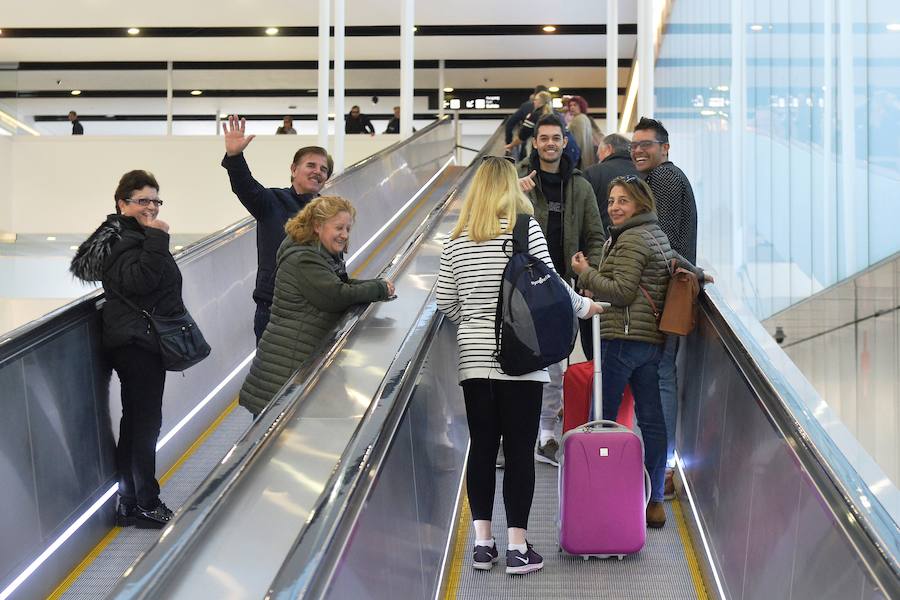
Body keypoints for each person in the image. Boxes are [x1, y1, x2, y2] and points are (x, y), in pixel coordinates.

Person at [436, 156, 605, 575]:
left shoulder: (455, 239)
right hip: (521, 361)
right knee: (518, 453)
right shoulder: (524, 229)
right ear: (510, 187)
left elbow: (445, 302)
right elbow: (550, 287)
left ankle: (482, 544)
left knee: (481, 447)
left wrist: (475, 325)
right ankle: (516, 548)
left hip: (474, 364)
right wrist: (587, 307)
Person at [571, 175, 710, 528]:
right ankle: (654, 501)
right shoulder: (656, 234)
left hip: (622, 339)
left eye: (623, 201)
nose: (614, 207)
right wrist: (701, 274)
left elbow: (621, 292)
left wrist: (586, 274)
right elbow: (680, 263)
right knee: (651, 422)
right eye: (613, 200)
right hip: (651, 344)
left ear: (640, 205)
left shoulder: (631, 239)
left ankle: (599, 495)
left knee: (600, 419)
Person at [70, 170, 183, 529]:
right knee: (145, 424)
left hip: (136, 339)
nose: (150, 207)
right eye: (142, 201)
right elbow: (141, 280)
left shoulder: (128, 235)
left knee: (136, 423)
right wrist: (157, 237)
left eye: (155, 200)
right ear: (122, 203)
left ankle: (131, 501)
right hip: (137, 342)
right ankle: (146, 502)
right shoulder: (127, 239)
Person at [239, 196, 394, 416]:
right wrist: (379, 289)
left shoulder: (317, 252)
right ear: (317, 226)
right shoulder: (304, 258)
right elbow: (335, 295)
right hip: (286, 366)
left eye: (348, 228)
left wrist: (376, 285)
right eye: (339, 227)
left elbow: (339, 283)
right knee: (270, 439)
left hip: (291, 362)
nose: (344, 234)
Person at [516, 114, 606, 466]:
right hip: (520, 286)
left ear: (565, 141)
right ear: (535, 142)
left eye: (556, 138)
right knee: (520, 359)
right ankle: (518, 431)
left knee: (554, 361)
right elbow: (494, 219)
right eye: (544, 138)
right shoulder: (517, 179)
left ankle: (547, 434)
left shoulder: (579, 186)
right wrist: (514, 194)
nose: (550, 143)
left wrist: (588, 273)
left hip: (561, 287)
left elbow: (596, 235)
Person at [221, 114, 333, 343]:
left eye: (324, 169)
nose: (318, 171)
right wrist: (234, 156)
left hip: (319, 310)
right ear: (293, 169)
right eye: (311, 165)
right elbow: (245, 185)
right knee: (273, 377)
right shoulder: (272, 201)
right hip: (275, 310)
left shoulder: (330, 214)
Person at [631, 116, 698, 498]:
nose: (638, 151)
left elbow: (665, 247)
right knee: (657, 377)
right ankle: (658, 467)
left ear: (665, 148)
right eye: (634, 146)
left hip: (663, 295)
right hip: (660, 294)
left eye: (646, 145)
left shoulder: (666, 181)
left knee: (660, 377)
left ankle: (664, 471)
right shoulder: (656, 181)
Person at [580, 133, 641, 358]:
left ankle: (596, 364)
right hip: (635, 269)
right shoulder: (644, 175)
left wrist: (585, 272)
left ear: (606, 150)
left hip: (597, 265)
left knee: (595, 334)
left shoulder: (592, 174)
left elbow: (582, 223)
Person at [505, 85, 548, 159]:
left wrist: (509, 143)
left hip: (530, 144)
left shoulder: (528, 108)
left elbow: (509, 124)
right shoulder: (554, 112)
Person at [566, 96, 603, 170]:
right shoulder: (585, 118)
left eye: (575, 105)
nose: (572, 107)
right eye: (570, 105)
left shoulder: (577, 120)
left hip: (580, 159)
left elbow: (579, 142)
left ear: (581, 106)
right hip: (588, 156)